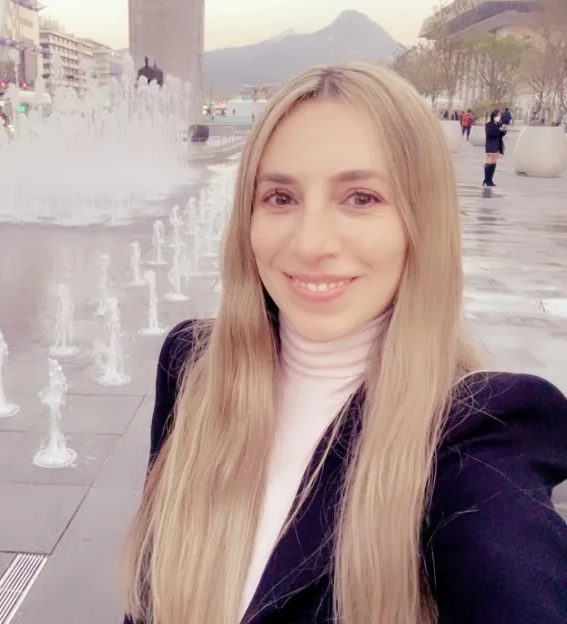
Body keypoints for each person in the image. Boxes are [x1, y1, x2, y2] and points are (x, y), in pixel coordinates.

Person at [122, 64, 567, 624]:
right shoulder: (194, 367)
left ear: (421, 220)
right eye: (280, 197)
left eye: (360, 197)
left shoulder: (475, 435)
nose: (311, 244)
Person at [484, 109, 507, 187]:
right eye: (497, 115)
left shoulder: (498, 124)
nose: (499, 117)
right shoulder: (488, 125)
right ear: (493, 116)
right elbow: (490, 134)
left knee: (494, 163)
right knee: (489, 163)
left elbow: (500, 135)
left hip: (497, 146)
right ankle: (486, 179)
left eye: (499, 116)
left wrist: (503, 131)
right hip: (490, 146)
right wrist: (498, 130)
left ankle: (490, 180)